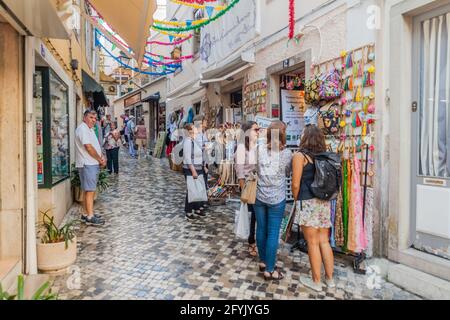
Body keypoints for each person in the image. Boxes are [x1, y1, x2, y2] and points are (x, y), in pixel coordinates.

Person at [292, 125, 335, 292]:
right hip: (323, 202)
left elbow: (295, 183)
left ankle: (316, 281)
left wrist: (297, 200)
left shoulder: (299, 156)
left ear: (305, 138)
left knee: (312, 242)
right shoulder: (325, 157)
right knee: (324, 241)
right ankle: (330, 280)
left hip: (307, 201)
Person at [254, 120, 292, 281]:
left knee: (261, 229)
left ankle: (263, 261)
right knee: (272, 233)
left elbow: (256, 168)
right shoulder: (287, 153)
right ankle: (270, 269)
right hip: (277, 198)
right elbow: (288, 173)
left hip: (260, 196)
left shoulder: (260, 149)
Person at [75, 109, 106, 226]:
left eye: (95, 118)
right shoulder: (83, 129)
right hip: (88, 163)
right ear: (84, 118)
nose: (93, 120)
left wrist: (101, 156)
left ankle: (86, 213)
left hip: (90, 163)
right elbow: (88, 147)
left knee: (87, 189)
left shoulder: (89, 129)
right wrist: (99, 159)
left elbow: (95, 145)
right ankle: (90, 216)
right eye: (91, 117)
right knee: (90, 190)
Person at [235, 121, 260, 257]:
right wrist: (244, 190)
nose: (258, 132)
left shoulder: (257, 146)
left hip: (258, 184)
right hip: (248, 185)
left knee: (257, 215)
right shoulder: (241, 148)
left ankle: (256, 240)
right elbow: (240, 173)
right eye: (256, 129)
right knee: (251, 216)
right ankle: (251, 241)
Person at [183, 123, 206, 221]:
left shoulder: (193, 140)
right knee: (192, 189)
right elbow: (188, 158)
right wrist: (193, 171)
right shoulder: (187, 141)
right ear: (189, 131)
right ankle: (188, 211)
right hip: (191, 169)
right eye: (193, 129)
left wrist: (204, 165)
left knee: (199, 188)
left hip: (198, 167)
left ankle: (197, 209)